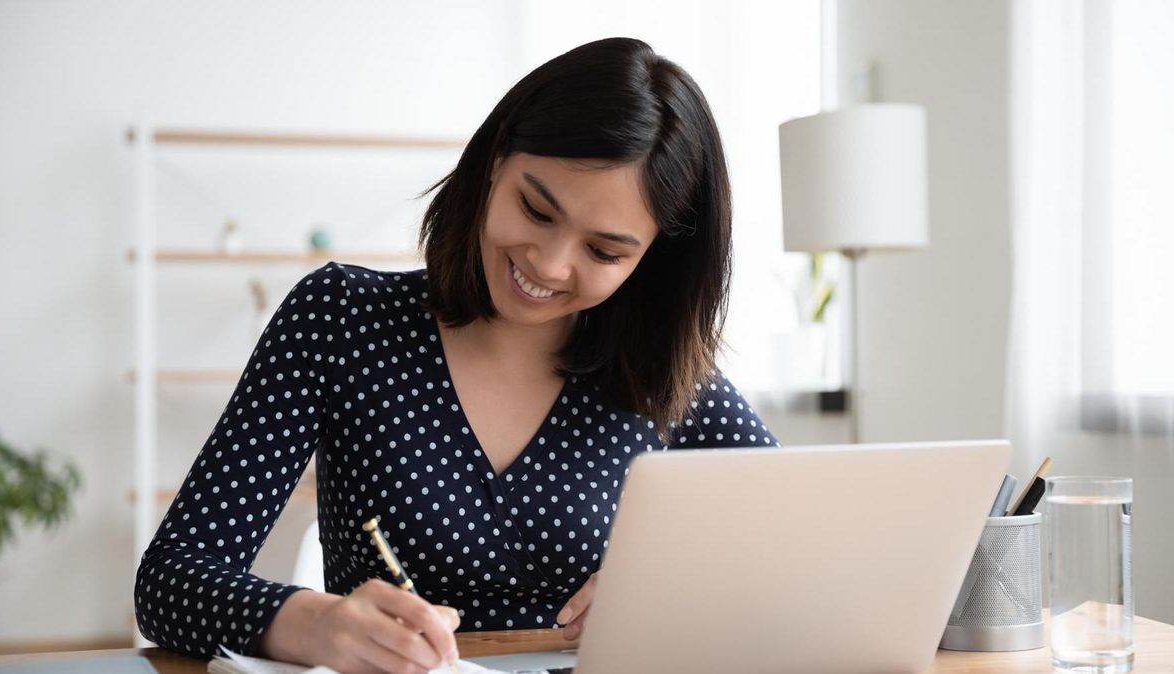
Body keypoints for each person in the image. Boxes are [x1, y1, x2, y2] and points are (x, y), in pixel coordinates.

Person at [134, 36, 777, 674]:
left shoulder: (665, 375)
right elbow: (169, 582)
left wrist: (680, 584)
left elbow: (815, 552)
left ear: (651, 259)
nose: (550, 265)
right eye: (536, 208)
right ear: (496, 160)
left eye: (605, 252)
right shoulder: (341, 319)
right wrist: (317, 624)